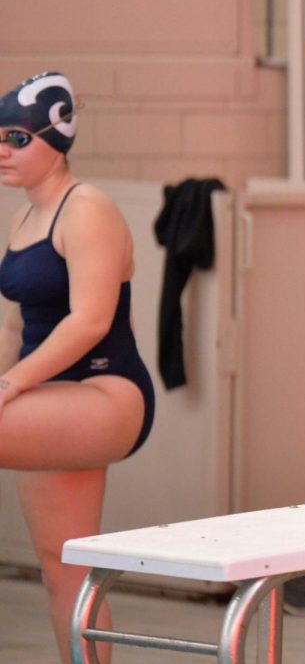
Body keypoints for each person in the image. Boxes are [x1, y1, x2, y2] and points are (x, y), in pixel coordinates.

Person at [0, 71, 156, 664]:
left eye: (17, 138)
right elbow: (16, 326)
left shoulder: (87, 208)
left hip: (104, 391)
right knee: (64, 567)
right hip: (48, 396)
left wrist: (12, 385)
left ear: (55, 139)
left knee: (68, 565)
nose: (3, 151)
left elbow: (90, 321)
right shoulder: (22, 220)